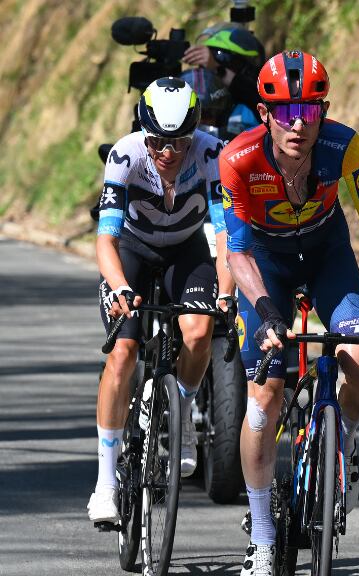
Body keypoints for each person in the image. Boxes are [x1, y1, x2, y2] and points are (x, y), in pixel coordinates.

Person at [220, 50, 359, 576]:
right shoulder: (238, 159)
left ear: (323, 110)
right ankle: (261, 533)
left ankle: (340, 445)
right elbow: (236, 252)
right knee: (266, 392)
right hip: (267, 268)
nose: (297, 123)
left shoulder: (343, 146)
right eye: (285, 112)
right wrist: (265, 309)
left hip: (328, 258)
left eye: (309, 110)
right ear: (264, 114)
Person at [88, 77, 234, 525]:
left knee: (199, 332)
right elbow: (105, 240)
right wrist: (120, 288)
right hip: (130, 250)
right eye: (157, 142)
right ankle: (106, 482)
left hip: (186, 249)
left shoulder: (212, 154)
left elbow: (227, 235)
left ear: (195, 133)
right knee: (123, 353)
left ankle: (183, 416)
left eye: (178, 142)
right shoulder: (126, 154)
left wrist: (226, 293)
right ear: (142, 131)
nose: (167, 152)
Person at [182, 25, 265, 137]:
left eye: (220, 57)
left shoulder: (248, 107)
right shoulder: (196, 93)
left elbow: (256, 98)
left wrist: (219, 69)